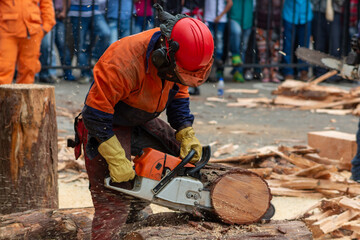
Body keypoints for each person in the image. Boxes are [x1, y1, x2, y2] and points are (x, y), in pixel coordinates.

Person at [72, 4, 214, 239]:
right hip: (106, 124)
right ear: (164, 54)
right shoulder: (123, 60)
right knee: (114, 199)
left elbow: (178, 96)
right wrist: (116, 157)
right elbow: (95, 113)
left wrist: (185, 132)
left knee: (184, 161)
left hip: (144, 117)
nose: (182, 78)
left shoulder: (183, 58)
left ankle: (138, 215)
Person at [0, 0, 56, 84]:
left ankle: (23, 96)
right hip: (6, 30)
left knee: (29, 69)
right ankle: (2, 96)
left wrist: (45, 28)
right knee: (4, 68)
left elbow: (46, 5)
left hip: (32, 31)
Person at [68, 0, 111, 84]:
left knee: (105, 33)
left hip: (94, 10)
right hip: (77, 11)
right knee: (80, 45)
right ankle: (85, 73)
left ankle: (94, 57)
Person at [311, 0, 345, 82]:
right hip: (318, 12)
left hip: (334, 13)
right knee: (319, 44)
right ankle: (320, 73)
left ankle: (333, 73)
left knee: (334, 45)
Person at [281, 0, 313, 81]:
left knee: (304, 45)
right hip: (290, 14)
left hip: (305, 15)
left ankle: (303, 70)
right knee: (288, 45)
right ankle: (288, 71)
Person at [204, 0, 233, 81]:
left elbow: (230, 2)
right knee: (209, 41)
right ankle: (211, 62)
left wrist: (220, 16)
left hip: (220, 19)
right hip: (208, 18)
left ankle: (218, 59)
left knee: (219, 40)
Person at [255, 0, 282, 83]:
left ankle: (273, 73)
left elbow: (278, 3)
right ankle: (265, 73)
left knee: (276, 50)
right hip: (261, 22)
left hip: (276, 23)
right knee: (262, 50)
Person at [229, 0, 253, 82]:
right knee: (236, 32)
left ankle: (238, 71)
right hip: (234, 17)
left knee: (243, 47)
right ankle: (235, 54)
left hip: (247, 19)